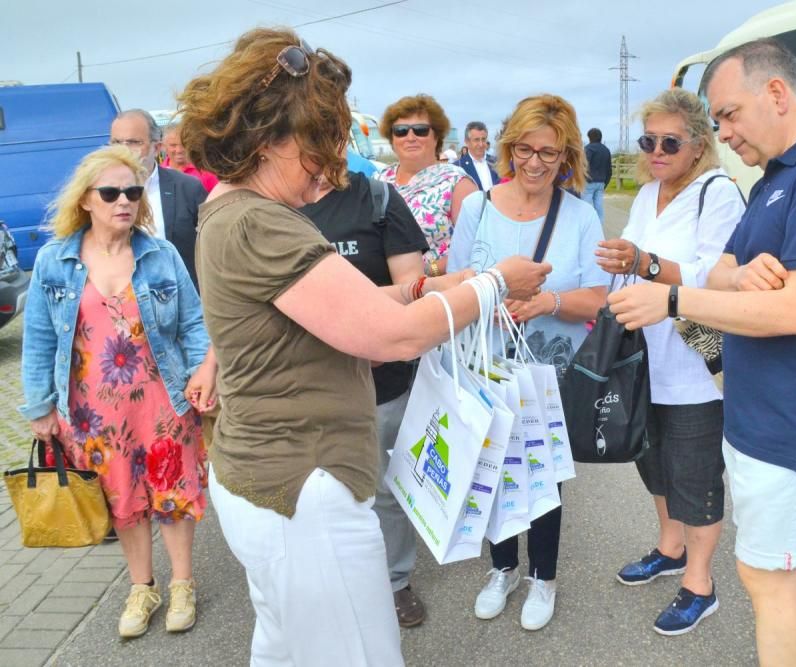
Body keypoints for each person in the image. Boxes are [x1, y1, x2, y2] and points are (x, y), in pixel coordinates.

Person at [176, 28, 549, 665]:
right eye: (318, 151)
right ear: (273, 138)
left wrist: (440, 285)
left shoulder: (231, 210)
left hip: (269, 479)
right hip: (303, 491)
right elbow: (389, 338)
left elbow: (350, 313)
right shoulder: (261, 223)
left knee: (287, 646)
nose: (326, 173)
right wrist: (491, 285)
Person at [606, 39, 796, 666]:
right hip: (762, 413)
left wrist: (674, 301)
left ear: (776, 92)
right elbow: (725, 270)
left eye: (729, 114)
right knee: (782, 568)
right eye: (717, 121)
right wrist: (738, 278)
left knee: (768, 575)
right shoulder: (778, 177)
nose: (724, 132)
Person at [19, 145, 216, 638]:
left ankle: (182, 585)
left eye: (131, 191)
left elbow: (193, 323)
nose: (123, 201)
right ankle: (141, 586)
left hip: (164, 401)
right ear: (85, 199)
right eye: (110, 192)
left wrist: (202, 373)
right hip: (92, 411)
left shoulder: (160, 253)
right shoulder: (54, 261)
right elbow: (39, 340)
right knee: (122, 498)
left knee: (172, 495)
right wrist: (40, 408)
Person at [449, 93, 608, 631]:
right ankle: (502, 568)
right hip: (485, 366)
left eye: (549, 152)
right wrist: (486, 298)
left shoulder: (580, 215)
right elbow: (458, 281)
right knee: (490, 470)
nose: (535, 162)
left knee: (542, 477)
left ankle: (544, 575)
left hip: (548, 373)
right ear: (507, 147)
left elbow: (598, 298)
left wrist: (546, 303)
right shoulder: (476, 208)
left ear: (566, 157)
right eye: (524, 149)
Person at [595, 89, 744, 636]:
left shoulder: (718, 193)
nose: (655, 152)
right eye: (647, 141)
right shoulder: (649, 192)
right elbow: (634, 252)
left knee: (696, 472)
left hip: (693, 361)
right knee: (651, 459)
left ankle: (700, 585)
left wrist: (645, 262)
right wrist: (620, 258)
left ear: (699, 145)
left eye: (668, 142)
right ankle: (671, 547)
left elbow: (716, 277)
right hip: (644, 355)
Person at [299, 171, 431, 627]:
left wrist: (363, 333)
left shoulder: (376, 197)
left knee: (381, 487)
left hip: (381, 380)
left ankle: (394, 582)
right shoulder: (271, 202)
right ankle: (326, 582)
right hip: (306, 384)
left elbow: (413, 288)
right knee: (313, 490)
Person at [378, 95, 476, 277]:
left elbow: (476, 247)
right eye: (400, 131)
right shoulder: (378, 179)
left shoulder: (456, 182)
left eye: (420, 130)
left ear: (436, 137)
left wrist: (429, 270)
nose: (410, 137)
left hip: (437, 292)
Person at [109, 110, 206, 290]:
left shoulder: (187, 188)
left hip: (181, 302)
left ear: (157, 147)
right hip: (121, 305)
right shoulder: (98, 192)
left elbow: (211, 251)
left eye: (133, 142)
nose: (123, 149)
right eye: (116, 142)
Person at [162, 123, 220, 193]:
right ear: (164, 146)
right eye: (173, 145)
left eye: (184, 144)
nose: (179, 150)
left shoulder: (206, 171)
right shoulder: (158, 173)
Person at [455, 121, 500, 191]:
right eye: (476, 140)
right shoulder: (458, 167)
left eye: (483, 139)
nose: (481, 144)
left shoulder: (497, 162)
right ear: (467, 142)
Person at [583, 128, 612, 222]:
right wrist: (605, 183)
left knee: (586, 206)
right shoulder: (606, 150)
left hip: (589, 182)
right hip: (601, 182)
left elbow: (584, 165)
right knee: (599, 206)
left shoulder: (588, 148)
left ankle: (587, 226)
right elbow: (609, 169)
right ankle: (599, 226)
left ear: (589, 137)